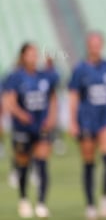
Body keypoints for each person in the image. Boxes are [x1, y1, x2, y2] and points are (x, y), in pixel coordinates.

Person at [68, 31, 106, 220]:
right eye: (92, 43)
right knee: (89, 163)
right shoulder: (80, 70)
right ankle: (90, 204)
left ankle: (105, 196)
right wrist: (72, 122)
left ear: (102, 45)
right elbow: (73, 97)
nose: (95, 47)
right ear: (88, 46)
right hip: (86, 120)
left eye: (97, 43)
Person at [2, 42, 59, 218]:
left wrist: (51, 118)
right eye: (30, 54)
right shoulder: (15, 77)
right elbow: (8, 101)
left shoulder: (44, 76)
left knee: (42, 164)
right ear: (23, 56)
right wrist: (20, 114)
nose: (34, 57)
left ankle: (41, 202)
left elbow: (53, 98)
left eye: (35, 53)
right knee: (23, 165)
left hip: (41, 127)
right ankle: (24, 199)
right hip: (22, 128)